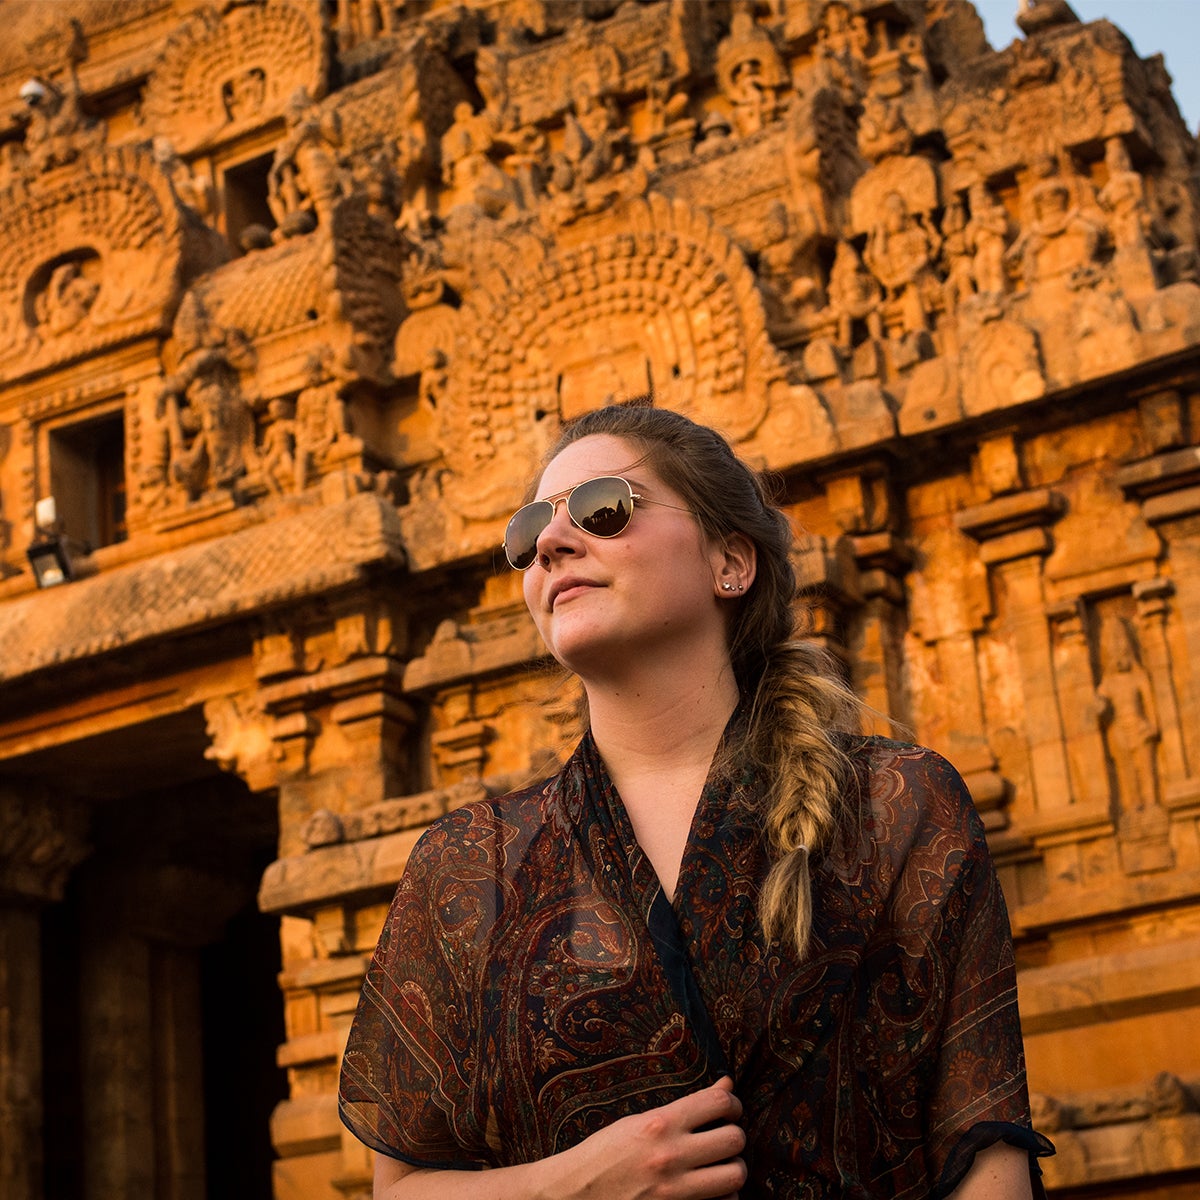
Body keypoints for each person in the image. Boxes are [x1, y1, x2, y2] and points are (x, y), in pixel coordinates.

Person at [339, 401, 1054, 1198]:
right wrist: (577, 1185)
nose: (549, 542)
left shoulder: (894, 806)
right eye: (529, 531)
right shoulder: (469, 868)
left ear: (730, 562)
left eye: (603, 509)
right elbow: (401, 1187)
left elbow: (984, 1152)